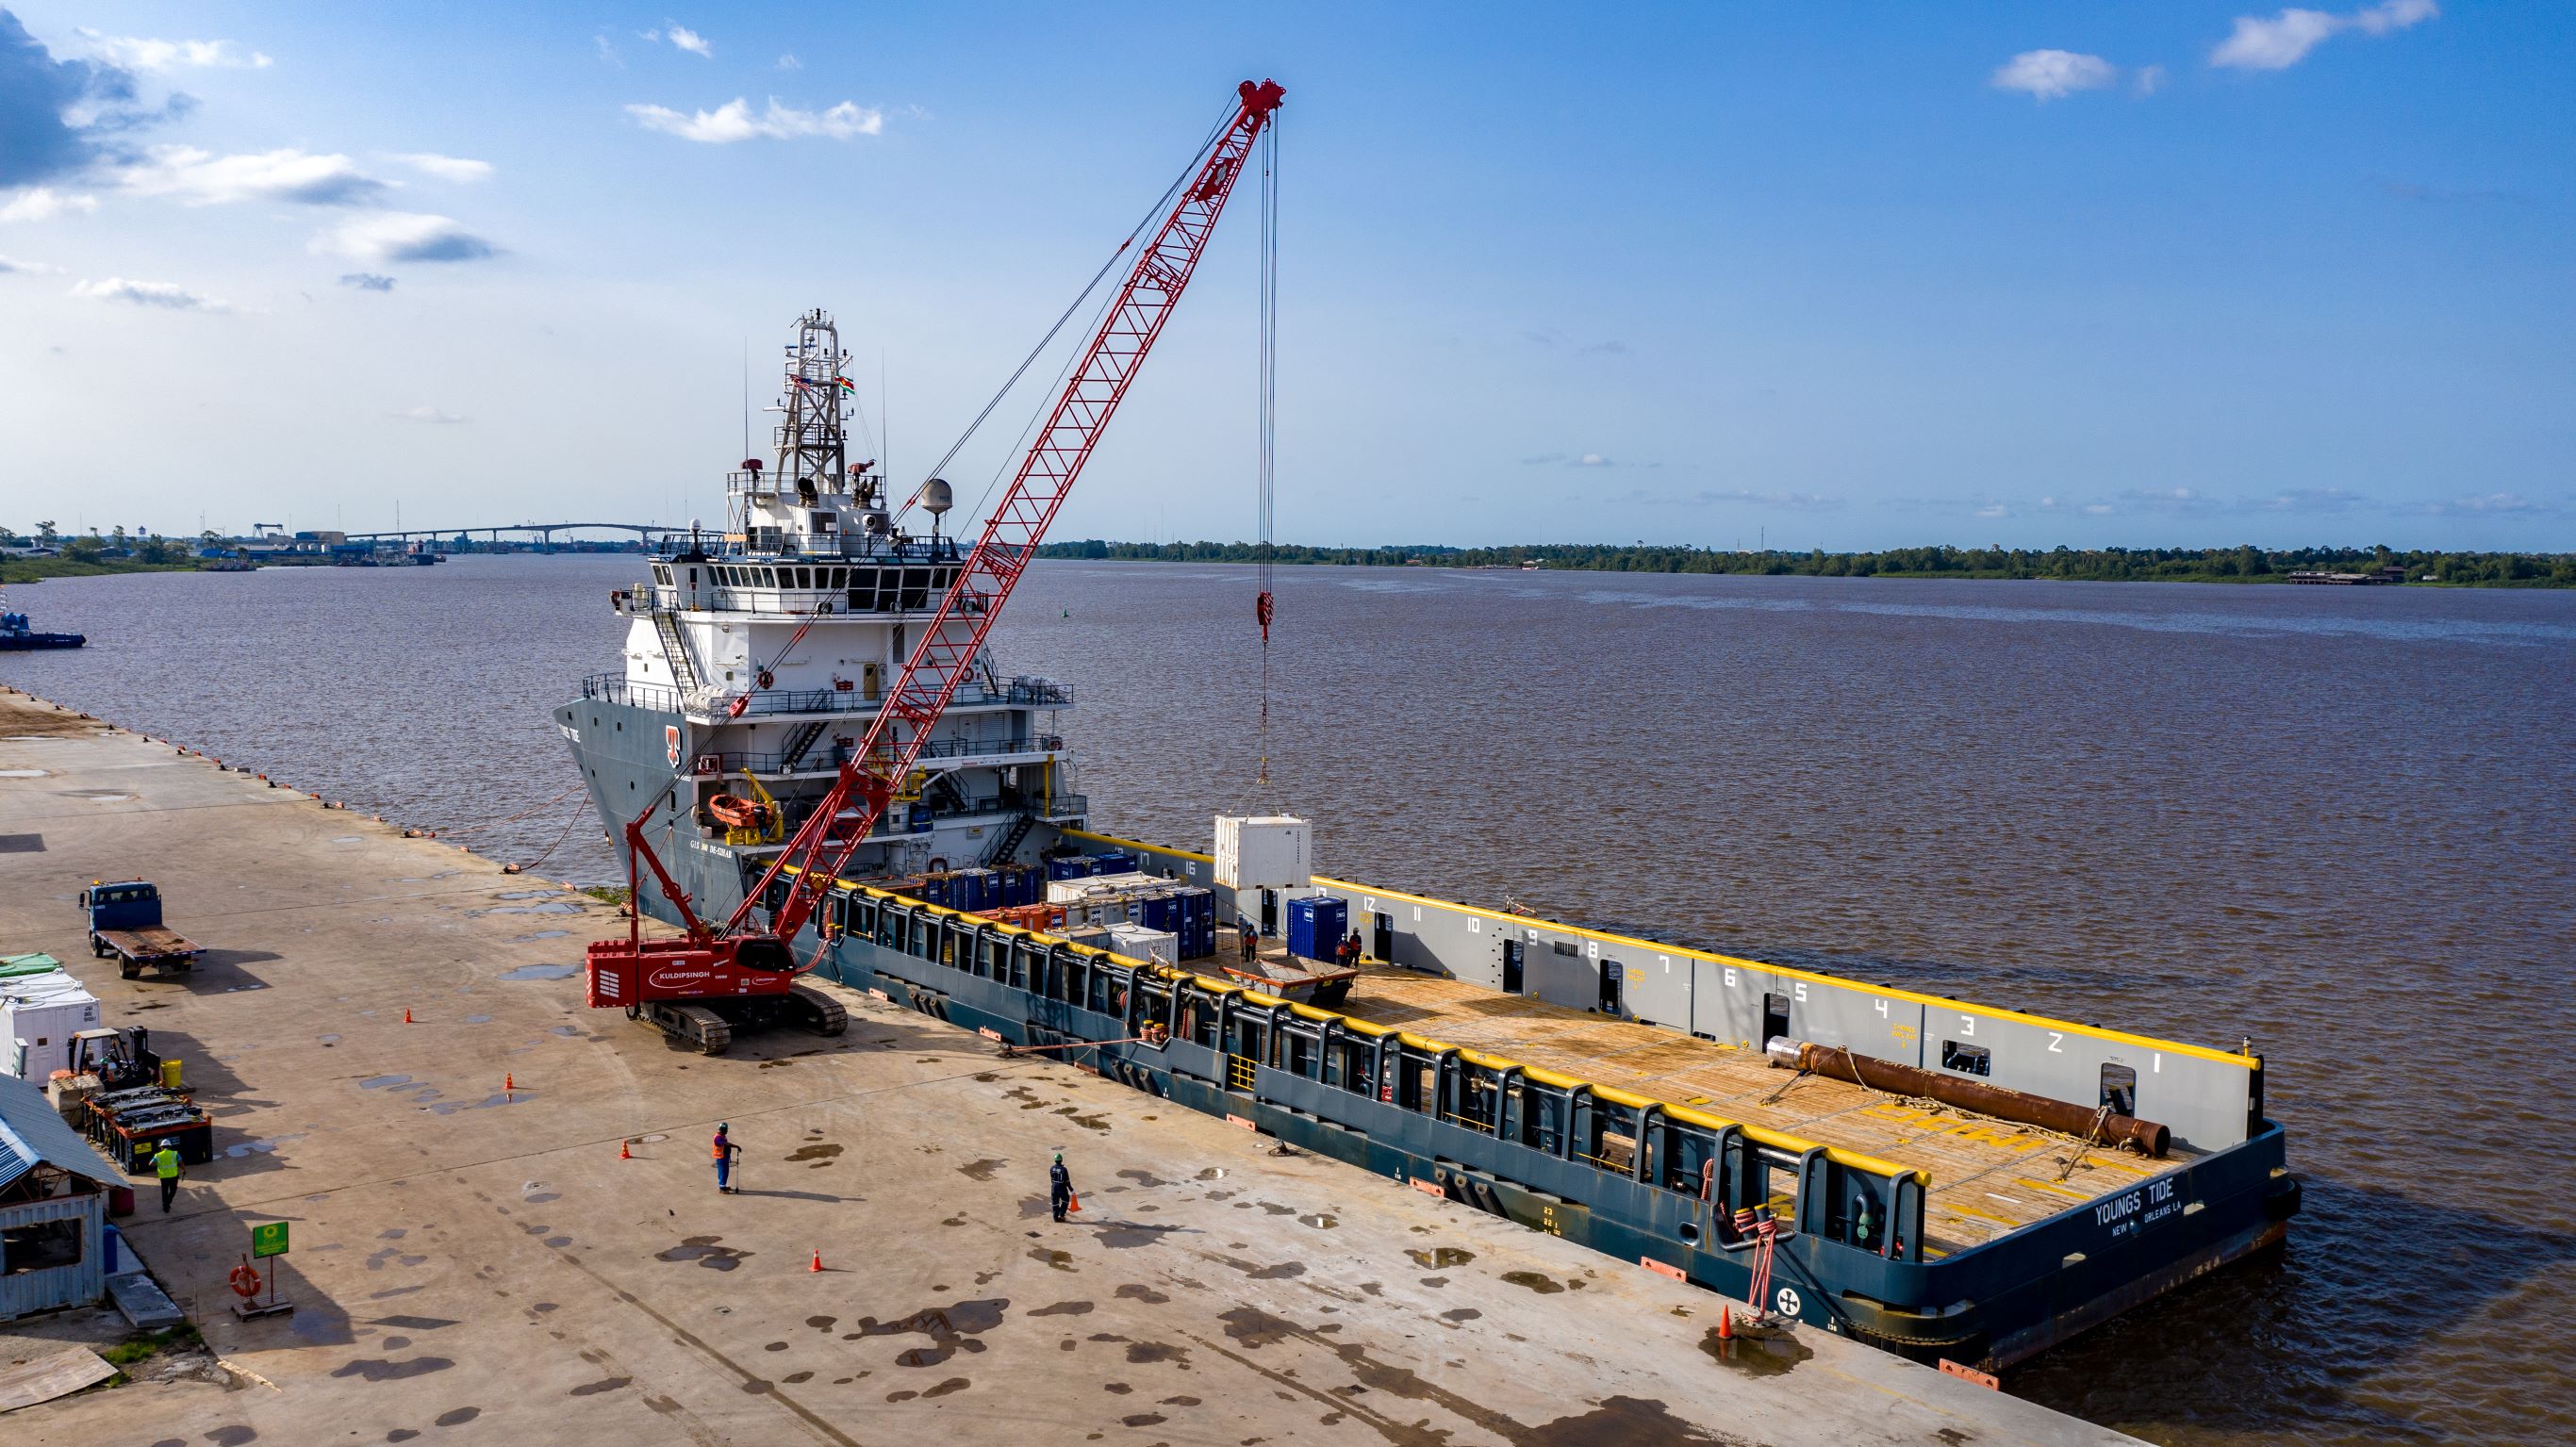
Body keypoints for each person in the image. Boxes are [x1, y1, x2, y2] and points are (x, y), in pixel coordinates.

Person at [151, 1137, 182, 1212]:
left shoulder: (158, 1155)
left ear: (161, 1147)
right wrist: (184, 1170)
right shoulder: (175, 1154)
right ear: (170, 1146)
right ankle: (168, 1202)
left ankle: (166, 1206)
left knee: (164, 1191)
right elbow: (181, 1162)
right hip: (174, 1176)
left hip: (164, 1177)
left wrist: (158, 1164)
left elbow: (151, 1164)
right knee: (173, 1190)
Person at [712, 1123, 741, 1194]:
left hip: (724, 1157)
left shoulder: (722, 1136)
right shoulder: (718, 1138)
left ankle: (723, 1186)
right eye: (725, 1130)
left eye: (726, 1129)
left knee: (723, 1172)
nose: (726, 1131)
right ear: (721, 1130)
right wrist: (736, 1146)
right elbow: (725, 1144)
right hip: (721, 1158)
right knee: (723, 1172)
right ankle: (722, 1189)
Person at [1049, 1152, 1074, 1222]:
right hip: (1062, 1188)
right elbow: (1067, 1181)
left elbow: (1052, 1179)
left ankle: (1055, 1217)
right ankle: (1061, 1214)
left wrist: (1054, 1185)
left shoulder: (1052, 1168)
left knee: (1055, 1203)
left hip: (1054, 1188)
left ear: (1055, 1160)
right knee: (1065, 1200)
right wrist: (1071, 1189)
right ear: (1061, 1160)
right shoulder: (1064, 1169)